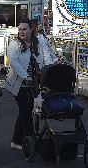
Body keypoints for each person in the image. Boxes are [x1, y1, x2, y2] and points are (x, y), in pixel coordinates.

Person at [5, 21, 56, 151]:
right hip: (19, 84)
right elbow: (14, 62)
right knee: (26, 112)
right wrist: (25, 76)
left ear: (31, 30)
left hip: (34, 83)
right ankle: (32, 141)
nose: (21, 32)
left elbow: (46, 57)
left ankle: (16, 140)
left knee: (24, 110)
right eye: (20, 29)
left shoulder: (38, 42)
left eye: (24, 29)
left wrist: (49, 71)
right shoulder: (14, 44)